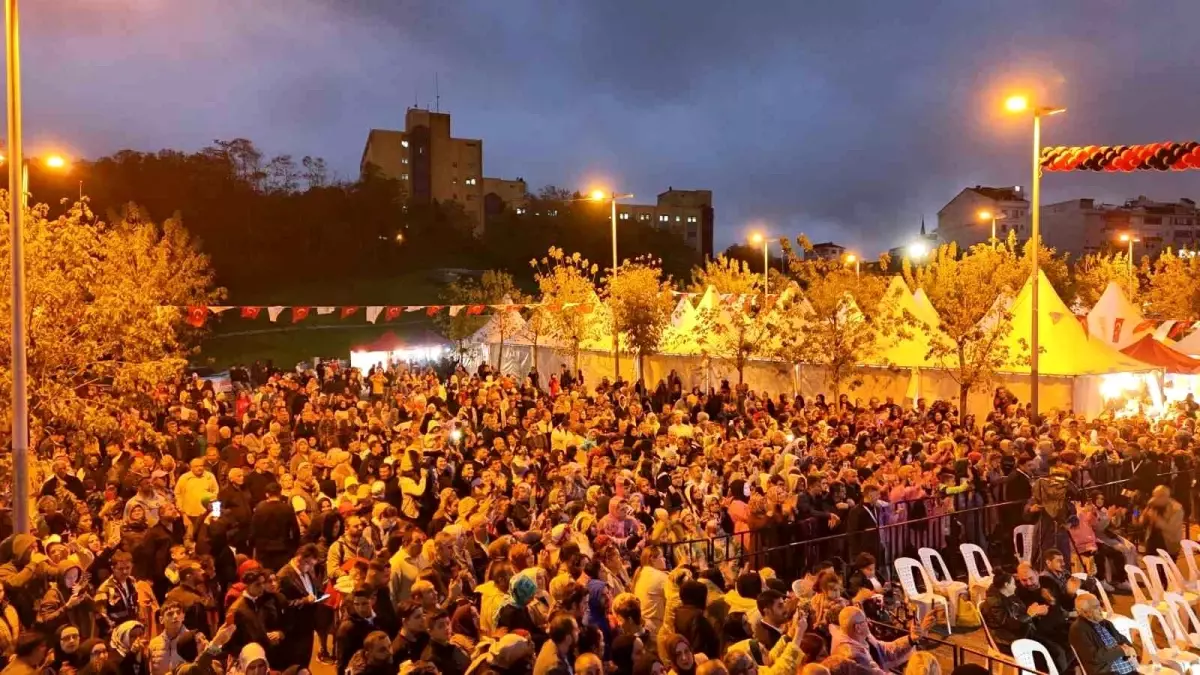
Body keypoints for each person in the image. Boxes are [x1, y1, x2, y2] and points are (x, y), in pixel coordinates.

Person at [827, 606, 928, 675]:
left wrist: (911, 639)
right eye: (865, 621)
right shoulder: (853, 655)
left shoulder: (863, 637)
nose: (869, 622)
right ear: (858, 628)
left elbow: (885, 649)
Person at [275, 543, 323, 670]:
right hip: (294, 630)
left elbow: (312, 589)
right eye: (309, 563)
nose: (311, 567)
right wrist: (304, 601)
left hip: (307, 625)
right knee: (295, 665)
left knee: (305, 662)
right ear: (299, 558)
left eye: (313, 565)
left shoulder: (307, 570)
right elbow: (280, 604)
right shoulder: (283, 576)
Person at [1070, 592, 1139, 675]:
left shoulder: (1106, 623)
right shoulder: (1078, 629)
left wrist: (1128, 648)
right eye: (1096, 607)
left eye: (1100, 605)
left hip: (1128, 669)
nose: (1101, 609)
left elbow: (1123, 640)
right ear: (1084, 612)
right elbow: (1094, 657)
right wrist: (1121, 650)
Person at [249, 482, 301, 572]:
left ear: (267, 494)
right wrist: (294, 547)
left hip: (264, 550)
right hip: (283, 549)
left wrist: (252, 544)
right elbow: (295, 530)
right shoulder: (287, 508)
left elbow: (253, 530)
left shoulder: (260, 509)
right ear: (280, 493)